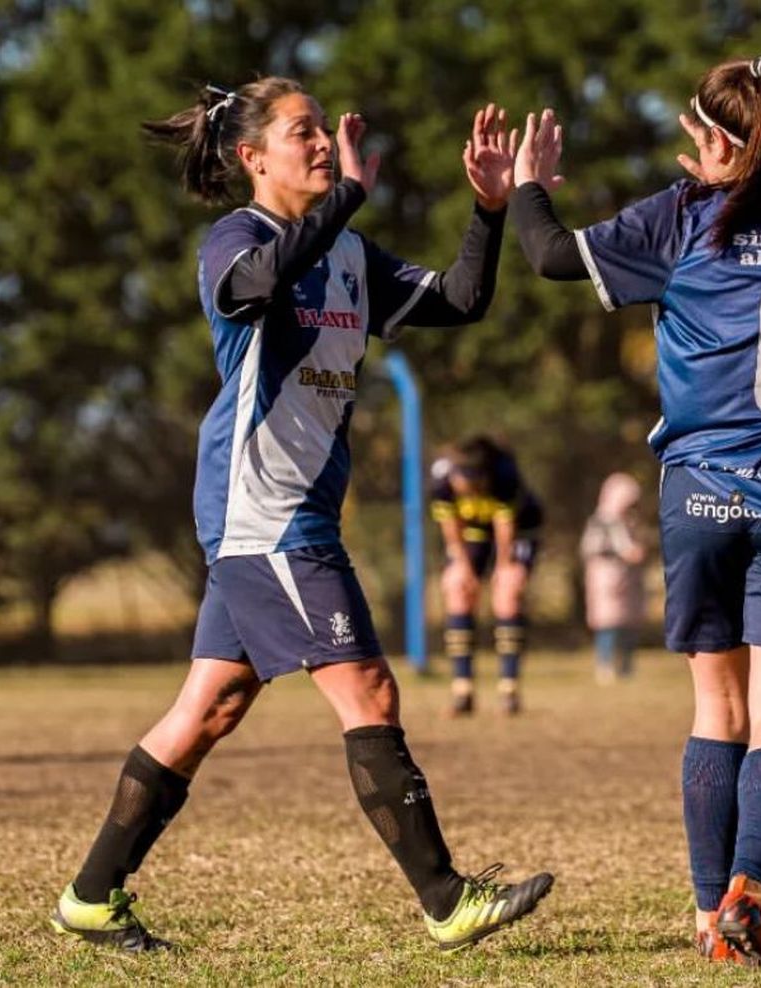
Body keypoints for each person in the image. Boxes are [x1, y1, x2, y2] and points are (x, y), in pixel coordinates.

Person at [49, 78, 553, 954]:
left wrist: (489, 209)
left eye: (327, 130)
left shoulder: (352, 254)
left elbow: (463, 299)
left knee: (208, 710)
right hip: (266, 513)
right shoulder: (235, 239)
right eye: (303, 132)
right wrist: (350, 193)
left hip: (286, 514)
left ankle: (90, 896)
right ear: (253, 158)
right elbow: (252, 290)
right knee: (369, 689)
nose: (324, 143)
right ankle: (444, 900)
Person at [507, 56, 761, 966]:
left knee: (718, 708)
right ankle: (753, 889)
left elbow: (553, 256)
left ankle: (711, 911)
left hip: (702, 495)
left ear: (718, 141)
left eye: (696, 135)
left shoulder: (680, 220)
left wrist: (527, 188)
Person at [429, 435, 542, 716]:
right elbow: (450, 527)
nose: (461, 488)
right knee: (457, 587)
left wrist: (504, 567)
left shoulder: (504, 475)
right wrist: (463, 566)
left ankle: (509, 690)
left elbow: (506, 527)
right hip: (472, 533)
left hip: (519, 531)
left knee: (508, 591)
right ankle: (462, 690)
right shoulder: (441, 481)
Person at [579, 472, 646, 684]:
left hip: (629, 579)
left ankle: (627, 666)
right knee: (607, 624)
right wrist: (622, 553)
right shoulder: (601, 521)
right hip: (605, 579)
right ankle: (605, 665)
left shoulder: (631, 521)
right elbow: (590, 548)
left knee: (628, 625)